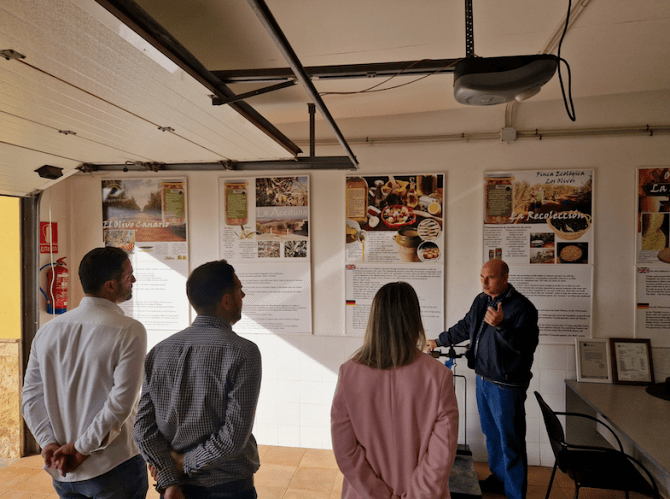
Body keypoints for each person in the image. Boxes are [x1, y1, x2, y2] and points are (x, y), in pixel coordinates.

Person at [22, 246, 148, 498]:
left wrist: (48, 443)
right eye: (128, 275)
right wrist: (80, 449)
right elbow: (121, 404)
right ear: (110, 285)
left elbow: (31, 397)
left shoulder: (47, 331)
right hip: (113, 466)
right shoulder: (129, 330)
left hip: (63, 469)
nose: (133, 280)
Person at [134, 260, 262, 499]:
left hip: (175, 488)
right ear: (227, 300)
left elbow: (142, 428)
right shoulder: (243, 352)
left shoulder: (159, 351)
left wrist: (169, 476)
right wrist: (183, 462)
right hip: (227, 487)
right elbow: (233, 437)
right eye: (239, 289)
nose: (243, 295)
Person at [331, 282, 459, 499]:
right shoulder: (438, 376)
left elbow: (345, 452)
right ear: (415, 320)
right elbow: (442, 455)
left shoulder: (349, 373)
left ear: (374, 320)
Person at [426, 259, 539, 499]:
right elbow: (465, 327)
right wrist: (439, 341)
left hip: (506, 384)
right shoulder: (482, 300)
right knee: (492, 434)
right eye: (481, 277)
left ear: (505, 278)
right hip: (483, 379)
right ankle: (499, 480)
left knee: (510, 440)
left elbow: (526, 346)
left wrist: (501, 326)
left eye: (491, 278)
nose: (484, 283)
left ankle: (515, 494)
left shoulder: (523, 308)